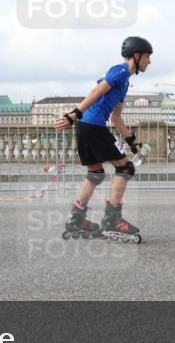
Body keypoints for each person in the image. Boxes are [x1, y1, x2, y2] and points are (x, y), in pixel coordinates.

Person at [54, 36, 153, 243]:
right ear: (136, 56)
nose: (149, 61)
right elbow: (97, 92)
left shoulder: (125, 81)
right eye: (147, 56)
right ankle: (112, 220)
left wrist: (132, 142)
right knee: (125, 168)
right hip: (91, 125)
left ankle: (76, 220)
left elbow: (116, 117)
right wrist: (74, 114)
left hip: (88, 126)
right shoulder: (120, 71)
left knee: (96, 174)